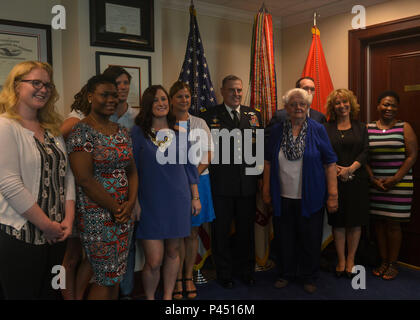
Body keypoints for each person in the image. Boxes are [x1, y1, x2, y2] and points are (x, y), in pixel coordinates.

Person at [0, 61, 75, 299]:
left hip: (57, 235)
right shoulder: (5, 126)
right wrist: (46, 225)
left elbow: (67, 175)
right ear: (16, 86)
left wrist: (68, 220)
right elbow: (9, 183)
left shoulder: (52, 128)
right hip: (21, 236)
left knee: (52, 294)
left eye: (47, 85)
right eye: (35, 83)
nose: (43, 89)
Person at [67, 74, 138, 300]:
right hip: (97, 214)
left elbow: (132, 171)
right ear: (90, 97)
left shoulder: (122, 131)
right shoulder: (81, 131)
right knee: (104, 275)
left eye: (114, 96)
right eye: (104, 95)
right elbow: (84, 179)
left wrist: (130, 203)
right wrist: (116, 207)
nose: (111, 100)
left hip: (123, 214)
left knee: (116, 273)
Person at [262, 88, 338, 294]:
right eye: (293, 104)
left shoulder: (318, 129)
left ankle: (309, 276)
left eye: (302, 104)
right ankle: (285, 273)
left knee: (310, 239)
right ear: (286, 108)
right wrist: (266, 190)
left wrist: (333, 195)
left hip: (311, 196)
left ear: (308, 107)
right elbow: (268, 161)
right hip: (282, 196)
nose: (298, 107)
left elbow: (330, 162)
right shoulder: (277, 130)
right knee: (284, 238)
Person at [131, 85, 201, 300]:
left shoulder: (182, 133)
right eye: (155, 100)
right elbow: (130, 169)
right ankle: (151, 297)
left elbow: (190, 169)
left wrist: (195, 197)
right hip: (149, 202)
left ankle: (168, 297)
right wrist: (133, 202)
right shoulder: (136, 133)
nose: (161, 103)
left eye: (163, 99)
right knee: (153, 260)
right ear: (147, 105)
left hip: (178, 200)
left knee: (173, 252)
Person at [201, 75, 262, 289]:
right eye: (231, 90)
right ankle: (224, 273)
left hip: (247, 185)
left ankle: (245, 271)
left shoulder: (254, 116)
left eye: (239, 90)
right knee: (221, 232)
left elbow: (258, 150)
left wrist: (260, 181)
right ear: (222, 91)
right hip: (221, 185)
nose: (236, 94)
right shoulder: (209, 116)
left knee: (246, 232)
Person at [170, 81, 215, 299]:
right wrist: (183, 180)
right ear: (171, 99)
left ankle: (188, 276)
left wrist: (191, 178)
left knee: (192, 233)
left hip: (199, 180)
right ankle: (176, 279)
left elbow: (208, 155)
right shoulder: (164, 124)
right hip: (173, 185)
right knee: (177, 234)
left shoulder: (200, 123)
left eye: (187, 96)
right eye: (179, 96)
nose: (184, 100)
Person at [366, 90, 418, 280]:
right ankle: (383, 260)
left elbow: (412, 155)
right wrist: (372, 179)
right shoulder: (368, 128)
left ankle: (393, 263)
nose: (389, 108)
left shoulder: (405, 127)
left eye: (393, 105)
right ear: (378, 106)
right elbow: (364, 157)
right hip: (376, 184)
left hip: (399, 184)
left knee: (394, 225)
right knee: (379, 224)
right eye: (386, 104)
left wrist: (395, 178)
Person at [102, 65, 140, 300]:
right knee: (106, 247)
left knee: (129, 245)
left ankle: (125, 292)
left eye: (126, 82)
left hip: (132, 187)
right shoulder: (100, 113)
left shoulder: (137, 116)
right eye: (118, 83)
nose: (123, 87)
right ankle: (106, 292)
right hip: (103, 189)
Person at [324, 89, 369, 278]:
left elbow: (366, 151)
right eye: (337, 103)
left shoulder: (361, 127)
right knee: (339, 222)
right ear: (333, 107)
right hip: (334, 183)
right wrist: (336, 170)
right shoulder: (327, 128)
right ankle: (341, 260)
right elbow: (324, 151)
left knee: (354, 222)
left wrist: (350, 169)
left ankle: (351, 259)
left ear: (351, 104)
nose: (342, 106)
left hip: (357, 181)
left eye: (345, 102)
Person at [60, 85, 94, 300]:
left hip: (94, 196)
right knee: (70, 258)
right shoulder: (74, 121)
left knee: (93, 255)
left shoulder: (99, 121)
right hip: (74, 195)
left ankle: (78, 296)